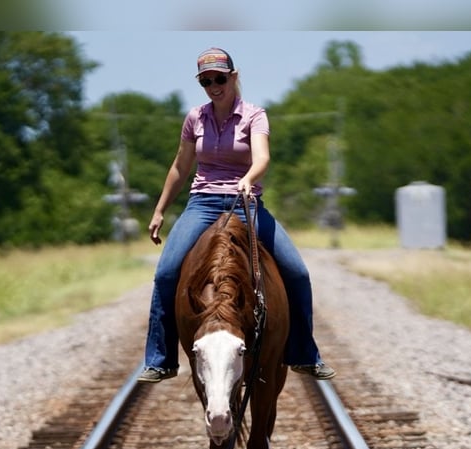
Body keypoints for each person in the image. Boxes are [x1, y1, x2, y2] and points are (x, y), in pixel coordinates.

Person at [139, 47, 335, 383]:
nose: (214, 86)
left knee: (298, 273)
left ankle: (304, 353)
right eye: (206, 81)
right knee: (167, 273)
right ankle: (160, 359)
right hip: (202, 203)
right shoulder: (195, 118)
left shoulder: (254, 115)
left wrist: (248, 179)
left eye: (219, 78)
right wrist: (160, 210)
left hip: (246, 204)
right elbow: (180, 166)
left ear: (234, 76)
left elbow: (262, 157)